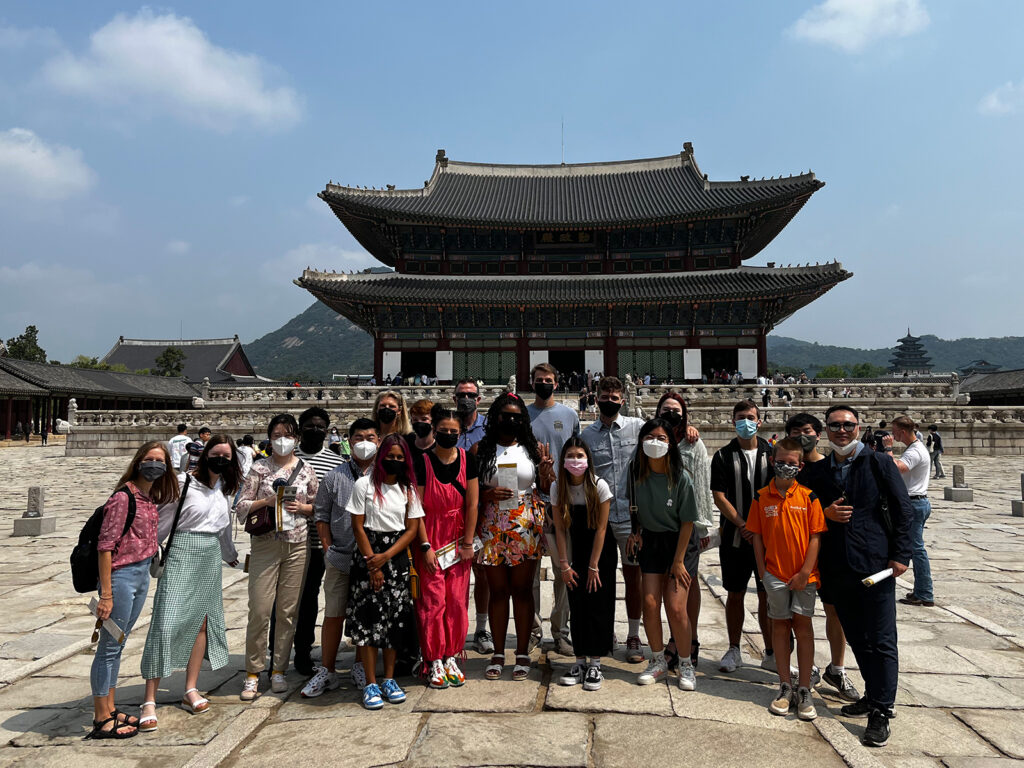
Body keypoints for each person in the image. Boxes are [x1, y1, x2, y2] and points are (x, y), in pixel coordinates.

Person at [800, 405, 913, 748]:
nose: (841, 431)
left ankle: (882, 709)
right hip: (837, 566)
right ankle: (872, 694)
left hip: (875, 562)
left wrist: (901, 554)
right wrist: (823, 511)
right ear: (826, 431)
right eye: (834, 426)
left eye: (847, 425)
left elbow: (902, 507)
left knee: (881, 637)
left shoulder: (878, 463)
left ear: (858, 427)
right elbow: (800, 508)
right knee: (857, 636)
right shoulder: (817, 470)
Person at [139, 435, 240, 730]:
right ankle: (149, 698)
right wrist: (148, 551)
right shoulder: (182, 484)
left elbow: (222, 531)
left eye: (227, 456)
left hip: (209, 556)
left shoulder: (224, 489)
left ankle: (190, 688)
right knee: (165, 622)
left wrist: (230, 555)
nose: (220, 459)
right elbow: (162, 520)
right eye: (216, 454)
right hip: (183, 550)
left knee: (201, 623)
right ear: (205, 454)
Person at [88, 441, 179, 740]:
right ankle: (101, 717)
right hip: (121, 578)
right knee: (109, 648)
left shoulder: (149, 498)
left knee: (119, 645)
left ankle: (110, 708)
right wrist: (106, 594)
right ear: (139, 462)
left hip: (140, 576)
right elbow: (105, 547)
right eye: (150, 459)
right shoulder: (123, 498)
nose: (155, 464)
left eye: (161, 460)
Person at [235, 414, 319, 701]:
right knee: (259, 609)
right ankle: (253, 670)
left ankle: (279, 669)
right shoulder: (259, 468)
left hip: (297, 544)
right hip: (265, 544)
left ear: (296, 438)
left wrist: (303, 508)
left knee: (287, 611)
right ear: (269, 438)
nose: (283, 439)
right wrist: (267, 501)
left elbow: (318, 506)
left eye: (288, 434)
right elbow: (242, 507)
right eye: (277, 434)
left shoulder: (306, 469)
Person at [473, 393, 554, 681]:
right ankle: (497, 652)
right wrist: (486, 493)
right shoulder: (480, 449)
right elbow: (468, 491)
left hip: (524, 524)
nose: (511, 420)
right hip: (492, 523)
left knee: (521, 590)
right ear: (495, 416)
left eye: (517, 416)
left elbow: (543, 487)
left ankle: (521, 651)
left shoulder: (532, 449)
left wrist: (546, 473)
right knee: (497, 592)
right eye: (506, 414)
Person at [748, 438, 826, 721]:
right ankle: (784, 684)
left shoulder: (809, 497)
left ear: (800, 466)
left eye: (792, 464)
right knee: (779, 626)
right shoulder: (761, 497)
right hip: (775, 574)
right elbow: (756, 536)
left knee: (803, 627)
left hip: (805, 576)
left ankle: (804, 687)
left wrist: (805, 571)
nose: (786, 467)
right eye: (781, 461)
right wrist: (762, 572)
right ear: (772, 461)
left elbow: (816, 536)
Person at [302, 418, 379, 697]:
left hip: (374, 558)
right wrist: (328, 548)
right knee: (333, 613)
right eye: (359, 437)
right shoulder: (335, 476)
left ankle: (361, 665)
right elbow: (321, 514)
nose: (365, 443)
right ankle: (327, 669)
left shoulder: (385, 476)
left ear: (379, 441)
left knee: (365, 614)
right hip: (341, 555)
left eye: (371, 437)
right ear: (349, 440)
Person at [346, 434, 423, 710]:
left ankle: (389, 678)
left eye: (400, 457)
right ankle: (370, 681)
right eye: (390, 456)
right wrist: (373, 562)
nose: (394, 461)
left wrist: (386, 558)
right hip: (368, 552)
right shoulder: (363, 485)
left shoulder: (408, 490)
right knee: (369, 622)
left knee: (394, 622)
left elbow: (412, 529)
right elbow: (358, 525)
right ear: (381, 457)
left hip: (396, 554)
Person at [787, 413, 859, 702]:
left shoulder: (832, 467)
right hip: (795, 550)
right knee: (799, 614)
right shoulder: (789, 467)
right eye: (795, 431)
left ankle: (837, 668)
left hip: (830, 548)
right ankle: (808, 667)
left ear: (818, 433)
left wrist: (824, 516)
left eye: (806, 430)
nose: (802, 436)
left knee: (834, 610)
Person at [627, 419, 698, 690]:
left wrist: (679, 561)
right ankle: (657, 660)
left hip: (680, 541)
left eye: (662, 438)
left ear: (671, 444)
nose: (655, 443)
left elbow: (688, 522)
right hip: (651, 539)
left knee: (677, 607)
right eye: (650, 437)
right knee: (649, 603)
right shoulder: (635, 472)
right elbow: (635, 508)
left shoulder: (681, 477)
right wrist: (635, 533)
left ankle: (685, 662)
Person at [413, 405, 479, 689]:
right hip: (431, 536)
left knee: (456, 601)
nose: (449, 435)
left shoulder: (467, 459)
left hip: (458, 540)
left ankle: (452, 654)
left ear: (460, 432)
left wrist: (467, 542)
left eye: (454, 432)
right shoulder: (421, 462)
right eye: (444, 431)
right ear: (434, 430)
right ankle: (433, 659)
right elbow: (416, 508)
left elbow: (473, 503)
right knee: (432, 602)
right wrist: (425, 545)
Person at [581, 376, 646, 663]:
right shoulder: (586, 437)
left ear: (623, 399)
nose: (610, 401)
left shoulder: (638, 427)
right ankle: (604, 632)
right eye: (605, 397)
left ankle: (634, 634)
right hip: (600, 520)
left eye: (615, 397)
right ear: (596, 399)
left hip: (631, 518)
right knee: (601, 578)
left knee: (634, 577)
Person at [711, 400, 774, 674]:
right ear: (732, 421)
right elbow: (719, 495)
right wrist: (742, 524)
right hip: (735, 538)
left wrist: (759, 526)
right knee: (734, 594)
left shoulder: (772, 454)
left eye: (750, 417)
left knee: (767, 596)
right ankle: (734, 648)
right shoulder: (724, 456)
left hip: (769, 539)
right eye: (740, 417)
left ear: (759, 421)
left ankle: (771, 651)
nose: (745, 422)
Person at [288, 407, 347, 675]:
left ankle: (315, 650)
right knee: (302, 599)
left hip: (328, 542)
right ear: (300, 429)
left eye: (320, 426)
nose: (315, 430)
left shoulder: (336, 463)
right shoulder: (288, 457)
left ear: (327, 429)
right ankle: (299, 652)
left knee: (330, 598)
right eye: (309, 426)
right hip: (296, 541)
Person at [526, 362, 580, 656]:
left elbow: (576, 453)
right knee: (531, 574)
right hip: (530, 502)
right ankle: (533, 630)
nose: (543, 383)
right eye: (539, 379)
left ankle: (561, 631)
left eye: (548, 379)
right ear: (531, 382)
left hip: (563, 502)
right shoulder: (523, 415)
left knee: (564, 570)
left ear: (556, 384)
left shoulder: (569, 415)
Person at [552, 437, 615, 691]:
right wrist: (564, 565)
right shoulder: (559, 487)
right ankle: (579, 660)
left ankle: (596, 663)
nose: (575, 460)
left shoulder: (599, 486)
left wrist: (593, 565)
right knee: (575, 600)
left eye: (580, 455)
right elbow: (558, 529)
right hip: (575, 545)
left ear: (588, 459)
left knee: (597, 601)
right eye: (570, 455)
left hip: (601, 550)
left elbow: (601, 528)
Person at [656, 392, 712, 670]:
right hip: (660, 524)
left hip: (687, 526)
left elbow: (702, 484)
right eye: (666, 409)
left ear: (685, 414)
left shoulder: (694, 442)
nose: (671, 413)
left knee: (685, 586)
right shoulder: (653, 439)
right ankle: (678, 640)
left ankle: (687, 642)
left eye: (676, 410)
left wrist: (702, 527)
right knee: (670, 588)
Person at [453, 378, 491, 653]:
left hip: (482, 507)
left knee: (483, 572)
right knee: (450, 572)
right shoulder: (445, 427)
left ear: (479, 399)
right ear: (453, 398)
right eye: (461, 394)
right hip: (449, 508)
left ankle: (481, 628)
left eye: (470, 395)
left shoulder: (489, 429)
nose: (466, 398)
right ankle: (454, 628)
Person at [884, 416, 935, 607]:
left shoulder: (915, 450)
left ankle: (925, 592)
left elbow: (898, 468)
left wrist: (888, 449)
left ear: (903, 432)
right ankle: (921, 589)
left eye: (894, 431)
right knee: (915, 548)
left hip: (915, 503)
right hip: (915, 502)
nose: (892, 434)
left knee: (916, 549)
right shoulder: (915, 448)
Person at [407, 398, 436, 465]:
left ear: (433, 421)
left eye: (424, 419)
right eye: (415, 419)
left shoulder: (439, 448)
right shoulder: (406, 444)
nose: (419, 422)